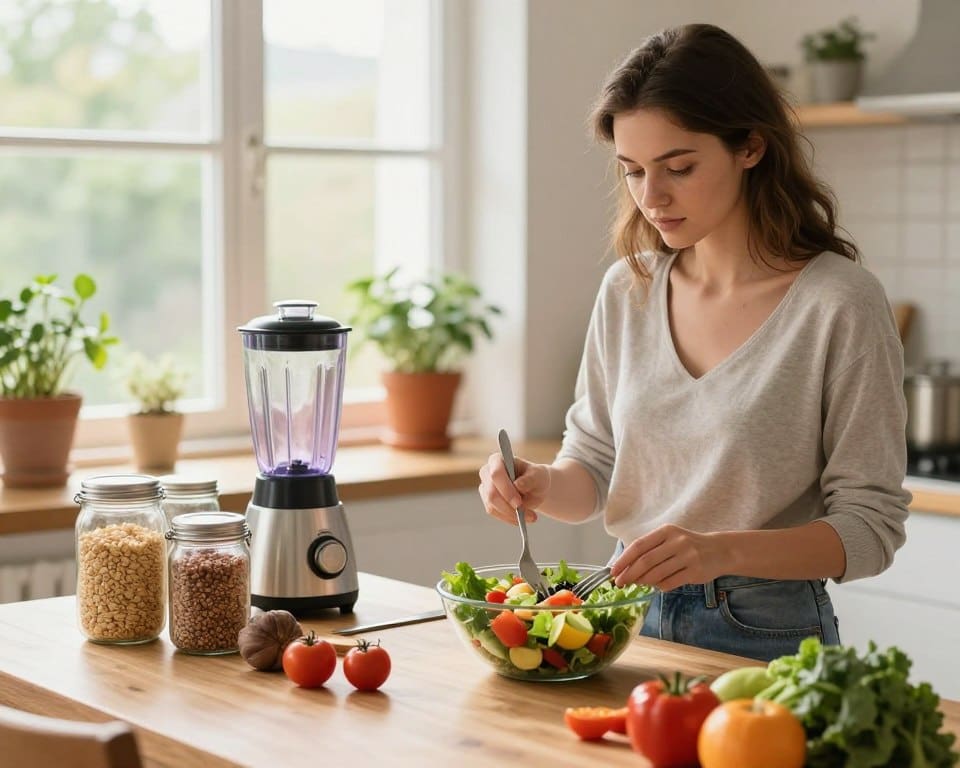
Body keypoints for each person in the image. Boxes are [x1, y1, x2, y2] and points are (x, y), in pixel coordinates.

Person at [477, 23, 911, 663]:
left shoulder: (839, 302)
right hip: (623, 616)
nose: (651, 197)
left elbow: (870, 529)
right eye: (633, 171)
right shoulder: (628, 289)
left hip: (765, 630)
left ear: (751, 147)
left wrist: (718, 551)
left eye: (679, 168)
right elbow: (594, 465)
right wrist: (539, 483)